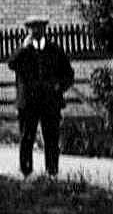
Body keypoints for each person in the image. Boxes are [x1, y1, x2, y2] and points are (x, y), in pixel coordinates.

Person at [7, 15, 75, 177]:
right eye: (32, 28)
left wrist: (59, 87)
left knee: (51, 138)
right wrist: (23, 48)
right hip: (28, 103)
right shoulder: (23, 51)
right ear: (28, 30)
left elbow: (68, 74)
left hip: (50, 102)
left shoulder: (54, 50)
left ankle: (52, 173)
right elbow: (11, 64)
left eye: (40, 27)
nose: (36, 31)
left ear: (45, 29)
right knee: (27, 138)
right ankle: (26, 172)